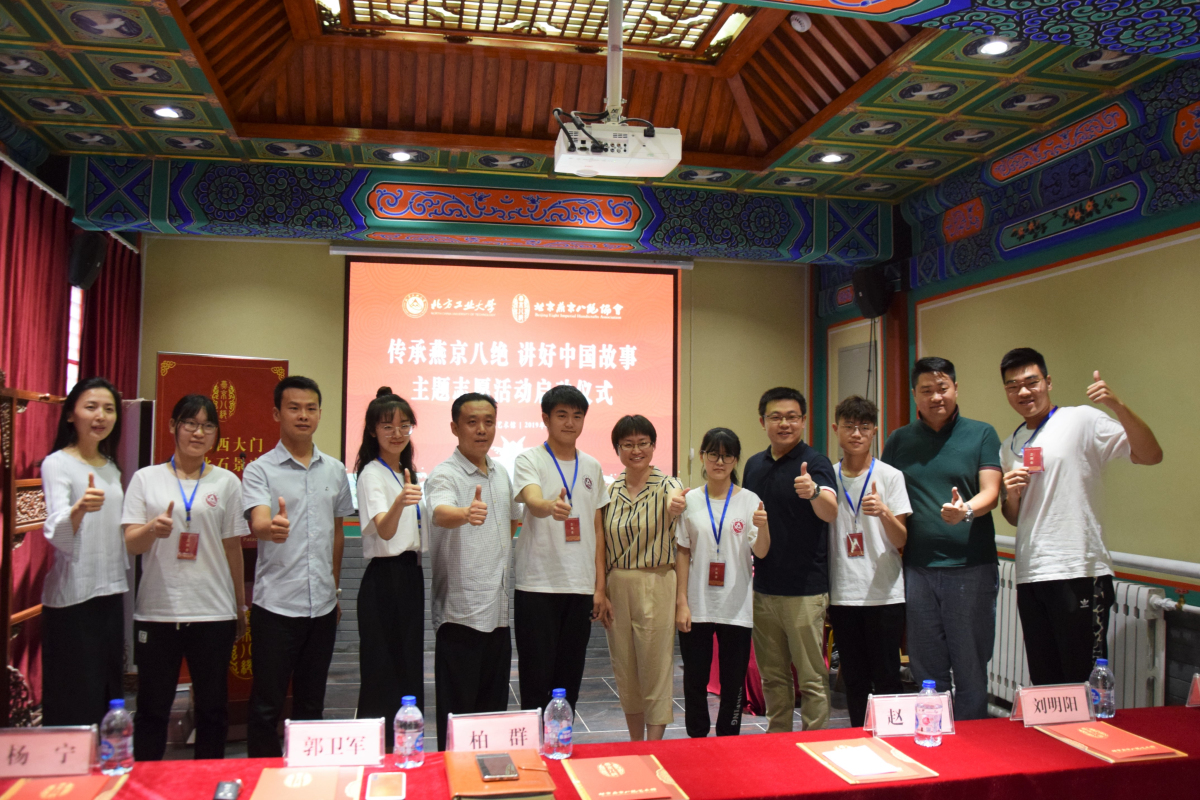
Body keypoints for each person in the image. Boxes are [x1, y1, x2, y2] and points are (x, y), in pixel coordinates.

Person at [998, 349, 1162, 685]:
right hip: (1031, 573)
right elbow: (1014, 517)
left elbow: (1150, 455)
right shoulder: (1009, 445)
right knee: (1045, 682)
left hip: (1079, 569)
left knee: (1082, 681)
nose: (1023, 392)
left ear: (1048, 382)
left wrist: (1117, 406)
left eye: (1031, 382)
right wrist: (1011, 495)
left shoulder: (1081, 420)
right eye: (1013, 386)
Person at [122, 394, 247, 760]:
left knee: (212, 710)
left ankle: (207, 781)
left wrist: (239, 607)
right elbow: (131, 544)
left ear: (216, 434)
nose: (198, 432)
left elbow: (233, 549)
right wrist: (152, 529)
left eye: (207, 426)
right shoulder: (146, 479)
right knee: (152, 710)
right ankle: (145, 781)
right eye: (190, 423)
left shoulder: (227, 482)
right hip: (158, 611)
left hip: (213, 612)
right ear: (173, 426)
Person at [881, 357, 1001, 720]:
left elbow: (991, 492)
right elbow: (887, 496)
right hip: (917, 569)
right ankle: (935, 734)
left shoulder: (981, 434)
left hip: (971, 567)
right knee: (926, 668)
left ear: (956, 389)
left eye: (943, 388)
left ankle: (972, 742)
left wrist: (966, 510)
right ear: (915, 395)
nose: (936, 397)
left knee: (970, 666)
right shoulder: (899, 440)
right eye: (927, 390)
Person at [242, 376, 355, 757]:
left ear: (320, 414)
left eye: (310, 408)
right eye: (294, 408)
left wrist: (334, 591)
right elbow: (258, 520)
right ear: (277, 414)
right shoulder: (259, 470)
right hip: (276, 607)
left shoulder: (335, 470)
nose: (303, 415)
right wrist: (268, 527)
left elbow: (337, 533)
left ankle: (308, 775)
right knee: (266, 705)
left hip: (321, 607)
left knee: (311, 703)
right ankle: (263, 775)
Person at [427, 393, 522, 751]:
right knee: (458, 715)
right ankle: (453, 776)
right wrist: (465, 513)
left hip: (497, 611)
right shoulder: (444, 474)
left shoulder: (500, 473)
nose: (482, 429)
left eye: (489, 422)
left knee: (491, 713)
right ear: (455, 427)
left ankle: (488, 772)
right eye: (472, 422)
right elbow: (440, 512)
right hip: (461, 614)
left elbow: (513, 520)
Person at [743, 387, 838, 733]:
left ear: (803, 420)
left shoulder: (815, 463)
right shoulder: (754, 465)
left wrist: (813, 492)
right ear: (762, 421)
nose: (784, 423)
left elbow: (831, 511)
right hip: (764, 588)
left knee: (811, 677)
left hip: (805, 590)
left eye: (792, 417)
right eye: (776, 417)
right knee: (773, 676)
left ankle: (813, 743)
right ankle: (777, 739)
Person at [513, 385, 610, 715]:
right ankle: (535, 742)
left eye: (577, 416)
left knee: (569, 678)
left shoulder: (592, 466)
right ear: (546, 418)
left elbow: (597, 529)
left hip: (579, 586)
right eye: (562, 415)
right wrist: (548, 506)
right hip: (537, 585)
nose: (570, 423)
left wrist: (600, 587)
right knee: (536, 678)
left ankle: (562, 738)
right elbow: (532, 500)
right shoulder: (529, 459)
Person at [39, 377, 126, 727]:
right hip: (72, 598)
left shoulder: (112, 466)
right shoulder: (57, 463)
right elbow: (55, 530)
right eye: (91, 407)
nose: (101, 416)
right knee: (75, 696)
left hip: (111, 592)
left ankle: (107, 756)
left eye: (108, 409)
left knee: (108, 691)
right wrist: (79, 508)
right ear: (70, 414)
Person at [675, 428, 769, 737]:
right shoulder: (690, 500)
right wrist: (681, 602)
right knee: (695, 679)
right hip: (697, 604)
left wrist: (764, 527)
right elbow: (683, 552)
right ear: (702, 456)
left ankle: (729, 739)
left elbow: (761, 551)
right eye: (713, 454)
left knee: (733, 681)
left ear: (736, 460)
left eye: (727, 456)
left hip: (736, 605)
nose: (719, 461)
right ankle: (697, 737)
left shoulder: (750, 500)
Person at [826, 396, 911, 727]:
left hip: (885, 594)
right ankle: (859, 738)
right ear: (836, 429)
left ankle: (891, 739)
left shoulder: (891, 476)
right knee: (855, 680)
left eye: (864, 426)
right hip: (844, 593)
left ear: (875, 431)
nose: (856, 433)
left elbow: (901, 540)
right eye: (849, 426)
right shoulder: (827, 477)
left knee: (887, 676)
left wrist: (884, 512)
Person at [603, 415, 685, 741]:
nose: (636, 450)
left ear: (653, 446)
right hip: (617, 584)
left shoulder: (668, 485)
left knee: (654, 666)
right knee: (624, 668)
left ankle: (654, 747)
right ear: (617, 449)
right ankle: (636, 744)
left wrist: (677, 504)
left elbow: (676, 501)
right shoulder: (610, 491)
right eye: (628, 444)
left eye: (642, 443)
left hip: (656, 581)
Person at [353, 387, 424, 751]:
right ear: (372, 431)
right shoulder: (370, 474)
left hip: (410, 574)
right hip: (385, 578)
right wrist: (399, 502)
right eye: (387, 426)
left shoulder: (404, 472)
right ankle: (375, 748)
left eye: (404, 425)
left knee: (408, 664)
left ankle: (407, 745)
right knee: (382, 668)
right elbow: (384, 529)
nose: (397, 433)